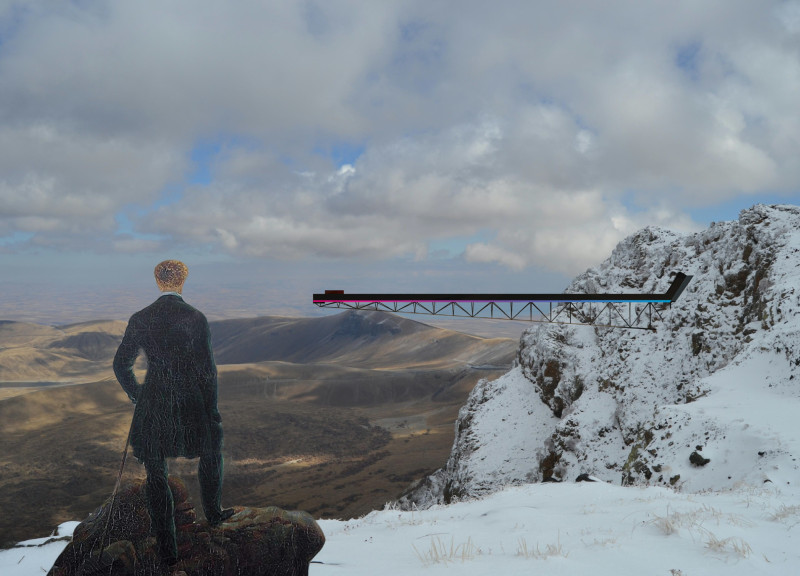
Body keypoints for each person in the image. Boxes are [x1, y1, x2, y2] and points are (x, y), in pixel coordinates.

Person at [113, 260, 234, 566]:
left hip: (154, 402)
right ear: (183, 281)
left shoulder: (140, 318)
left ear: (157, 281)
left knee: (156, 474)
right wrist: (212, 410)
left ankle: (168, 550)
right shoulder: (196, 318)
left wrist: (138, 395)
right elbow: (207, 371)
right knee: (210, 451)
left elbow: (120, 364)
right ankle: (215, 515)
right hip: (191, 401)